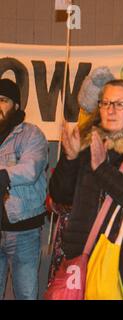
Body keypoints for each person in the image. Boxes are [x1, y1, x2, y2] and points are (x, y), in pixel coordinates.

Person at [49, 80, 123, 266]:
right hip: (81, 254)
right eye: (105, 103)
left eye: (120, 104)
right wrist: (70, 159)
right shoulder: (90, 143)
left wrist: (103, 169)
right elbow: (61, 195)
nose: (110, 110)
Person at [0, 78, 48, 300]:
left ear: (16, 105)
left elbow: (31, 170)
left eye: (3, 100)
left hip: (23, 230)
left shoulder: (32, 134)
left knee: (26, 295)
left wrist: (4, 174)